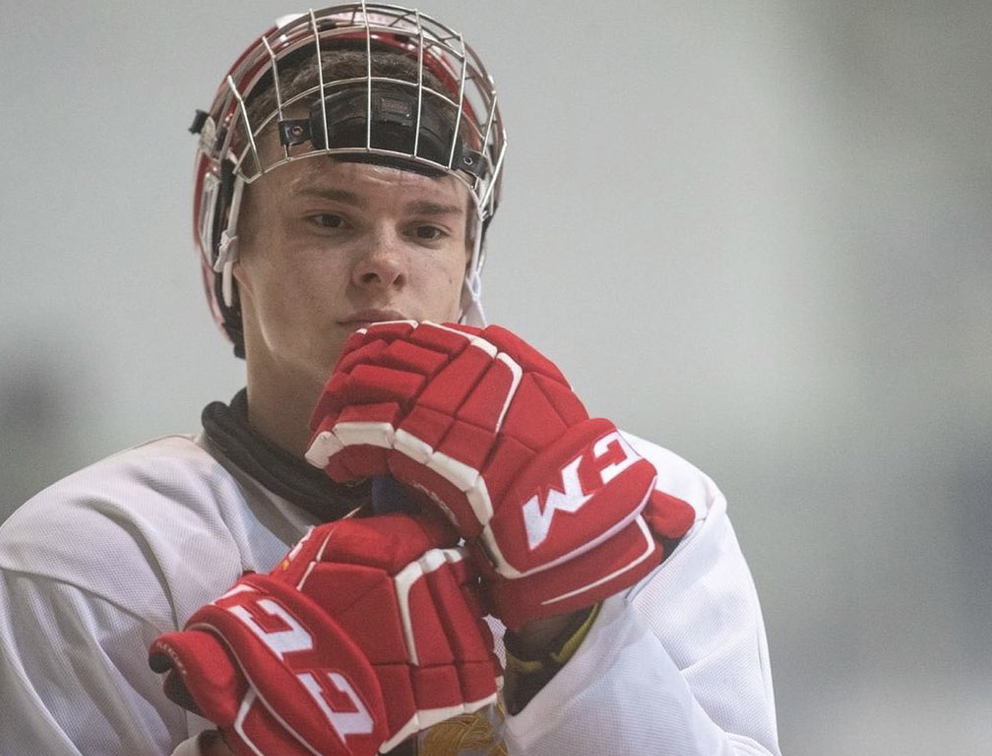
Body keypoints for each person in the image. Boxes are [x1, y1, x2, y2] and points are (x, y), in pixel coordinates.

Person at [0, 5, 781, 756]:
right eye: (329, 220)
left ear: (469, 261)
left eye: (427, 227)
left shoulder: (642, 514)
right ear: (233, 248)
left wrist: (569, 625)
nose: (386, 262)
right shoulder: (91, 559)